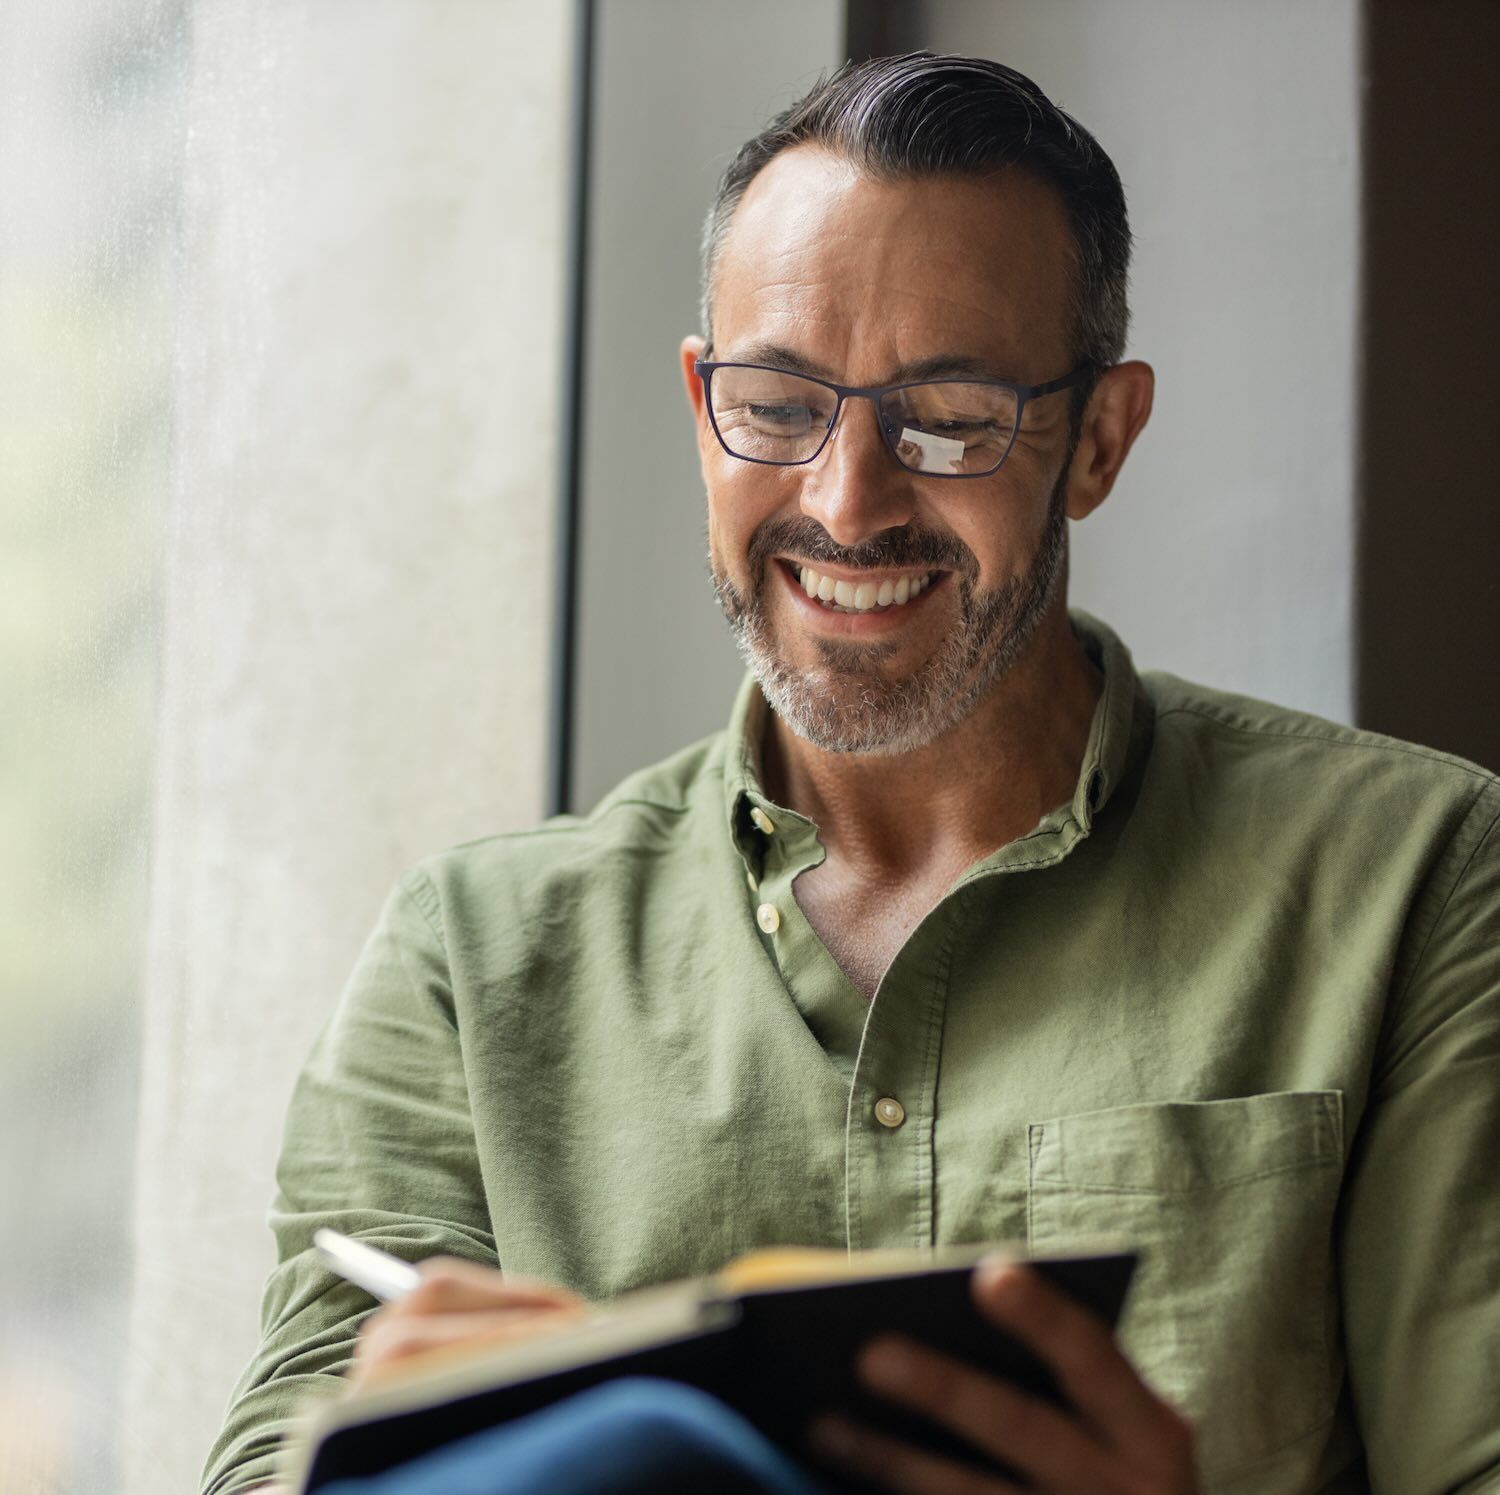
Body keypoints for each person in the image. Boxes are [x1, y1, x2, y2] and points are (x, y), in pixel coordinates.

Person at [203, 52, 1500, 1495]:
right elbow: (269, 1462)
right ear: (702, 409)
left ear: (1099, 439)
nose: (847, 500)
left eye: (951, 417)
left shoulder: (1416, 877)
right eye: (776, 405)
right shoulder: (471, 957)